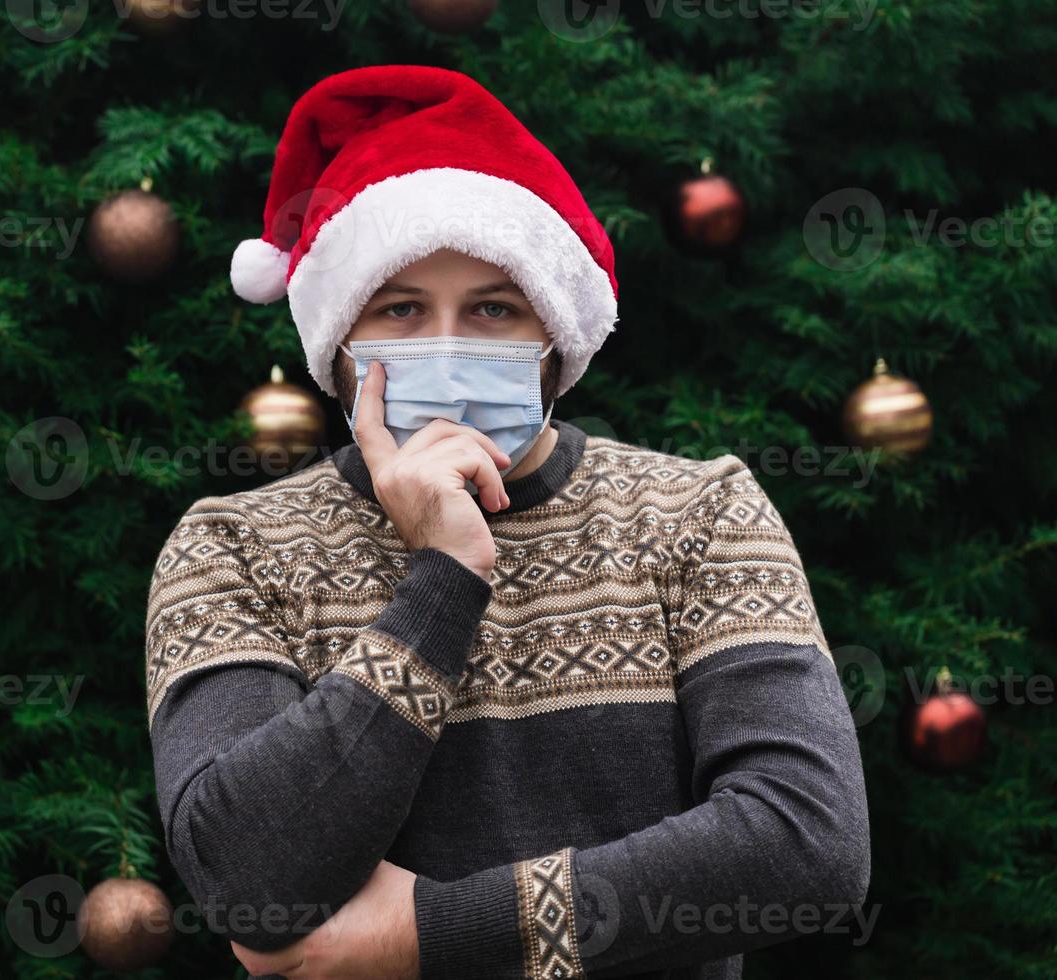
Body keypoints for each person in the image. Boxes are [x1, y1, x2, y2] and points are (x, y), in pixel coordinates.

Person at [144, 64, 870, 980]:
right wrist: (443, 580)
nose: (445, 346)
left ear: (555, 341)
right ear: (337, 346)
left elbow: (807, 843)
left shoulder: (701, 514)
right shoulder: (233, 548)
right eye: (400, 310)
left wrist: (432, 935)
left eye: (494, 309)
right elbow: (250, 879)